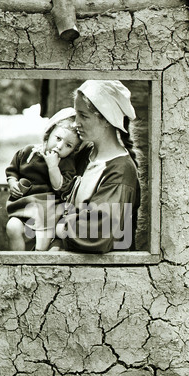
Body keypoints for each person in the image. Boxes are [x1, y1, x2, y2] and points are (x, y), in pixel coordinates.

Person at [54, 80, 141, 253]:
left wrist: (58, 227)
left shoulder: (121, 171)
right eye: (76, 114)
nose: (75, 123)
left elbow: (96, 233)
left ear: (107, 120)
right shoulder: (86, 154)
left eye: (84, 116)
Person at [5, 107, 81, 251]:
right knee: (12, 227)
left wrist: (53, 167)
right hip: (24, 208)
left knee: (42, 240)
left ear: (73, 150)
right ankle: (19, 263)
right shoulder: (28, 153)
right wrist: (13, 182)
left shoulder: (66, 163)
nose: (60, 146)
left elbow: (62, 188)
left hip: (49, 212)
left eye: (68, 145)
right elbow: (13, 170)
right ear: (48, 134)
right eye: (58, 138)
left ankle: (37, 259)